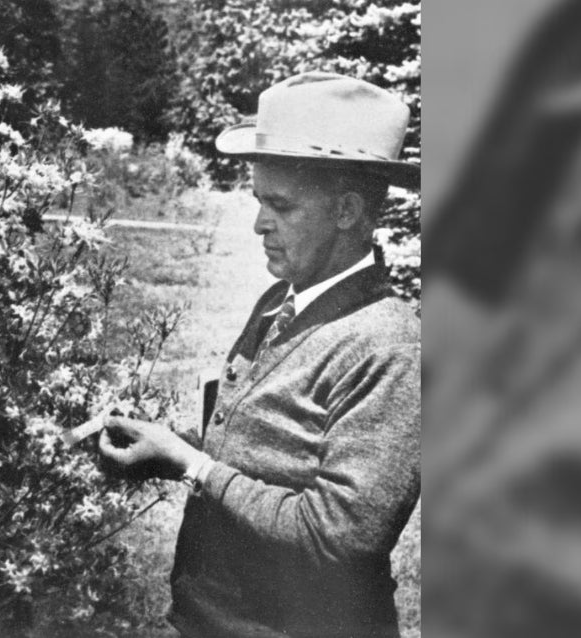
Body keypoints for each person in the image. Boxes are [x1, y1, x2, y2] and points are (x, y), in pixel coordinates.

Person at [98, 72, 420, 638]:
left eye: (281, 205)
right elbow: (262, 459)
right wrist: (165, 448)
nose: (257, 224)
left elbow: (335, 537)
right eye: (257, 201)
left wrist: (192, 465)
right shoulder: (281, 299)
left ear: (346, 211)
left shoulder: (392, 345)